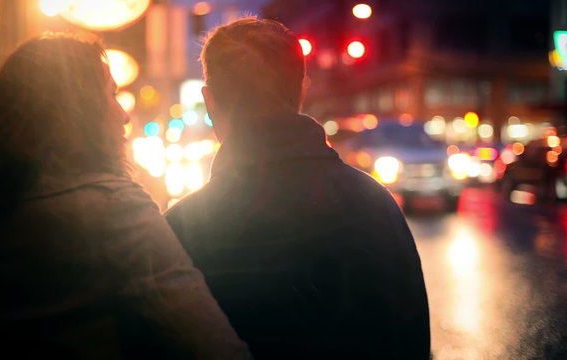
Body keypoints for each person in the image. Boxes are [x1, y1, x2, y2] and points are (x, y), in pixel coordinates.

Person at [0, 34, 250, 359]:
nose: (123, 115)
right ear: (81, 111)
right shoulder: (113, 207)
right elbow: (207, 340)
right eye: (111, 95)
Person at [166, 18, 430, 359]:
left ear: (210, 100)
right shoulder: (375, 204)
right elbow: (411, 339)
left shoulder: (182, 227)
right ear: (302, 89)